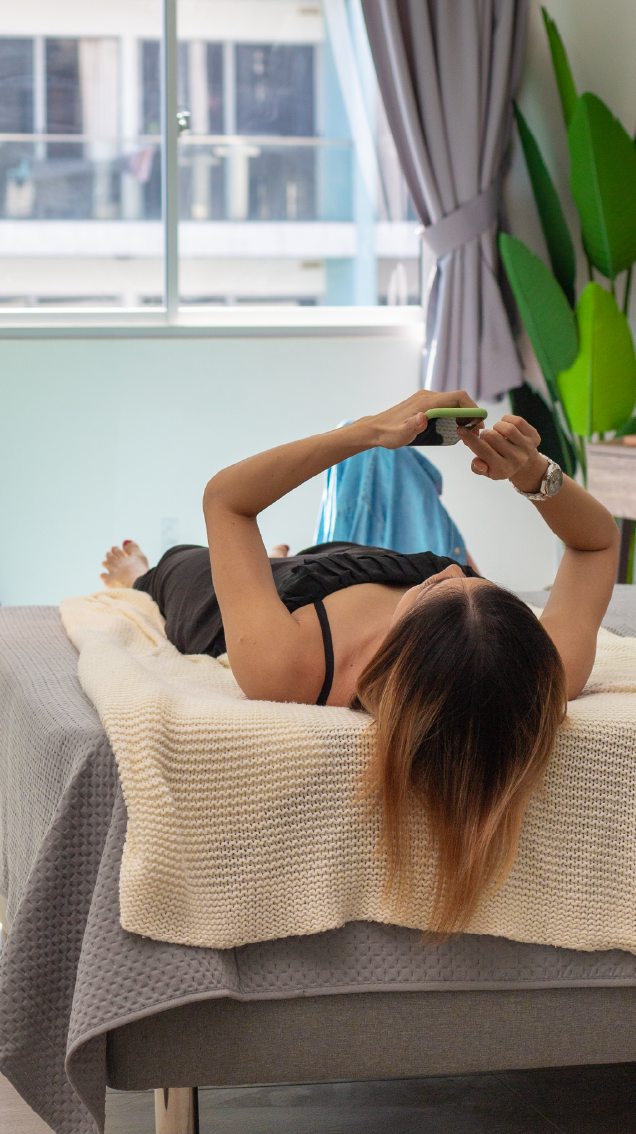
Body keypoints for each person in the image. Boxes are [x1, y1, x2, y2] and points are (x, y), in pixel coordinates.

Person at [98, 390, 620, 933]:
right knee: (398, 472)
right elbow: (597, 544)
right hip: (379, 563)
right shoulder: (537, 671)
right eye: (469, 580)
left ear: (400, 656)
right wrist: (531, 471)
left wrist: (368, 432)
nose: (447, 574)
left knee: (176, 565)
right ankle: (277, 556)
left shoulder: (285, 665)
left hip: (288, 600)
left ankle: (183, 573)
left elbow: (226, 499)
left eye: (435, 591)